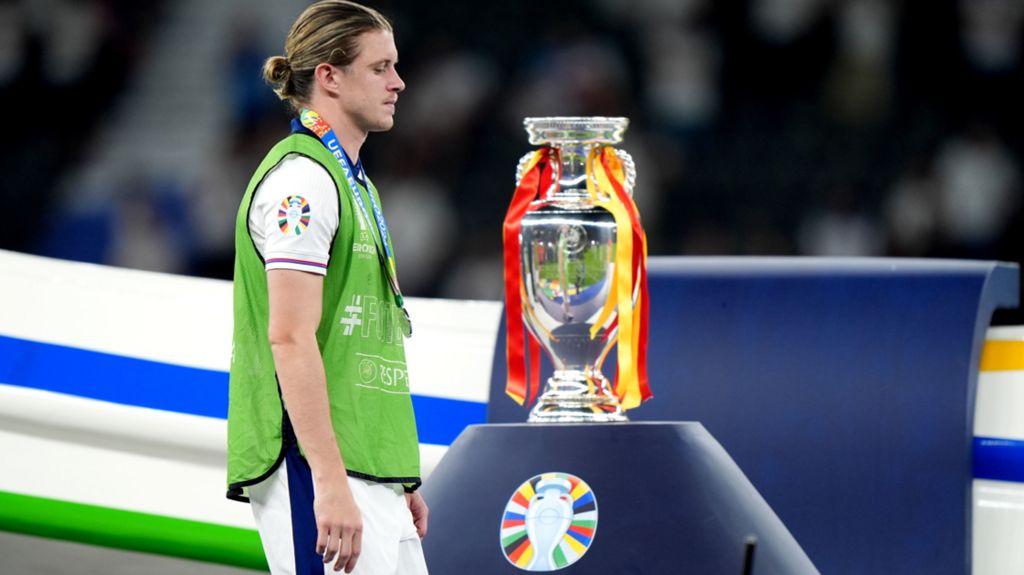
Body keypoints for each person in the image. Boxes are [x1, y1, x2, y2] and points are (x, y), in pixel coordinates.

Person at [225, 2, 428, 574]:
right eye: (380, 67)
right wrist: (330, 480)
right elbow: (289, 338)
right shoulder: (303, 184)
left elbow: (360, 339)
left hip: (369, 468)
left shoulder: (352, 183)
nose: (399, 82)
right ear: (329, 77)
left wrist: (395, 476)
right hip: (317, 468)